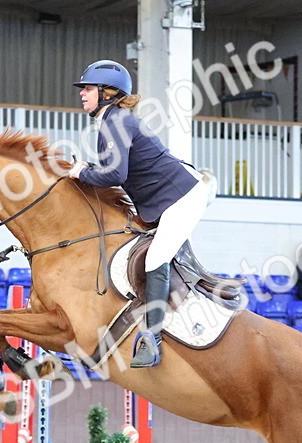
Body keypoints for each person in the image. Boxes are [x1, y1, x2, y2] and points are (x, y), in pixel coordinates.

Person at [67, 59, 208, 368]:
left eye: (88, 89)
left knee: (155, 259)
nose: (82, 94)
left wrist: (82, 173)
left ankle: (152, 340)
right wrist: (88, 170)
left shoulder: (117, 122)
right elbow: (116, 170)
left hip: (182, 198)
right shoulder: (113, 121)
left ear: (107, 92)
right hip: (165, 200)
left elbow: (116, 175)